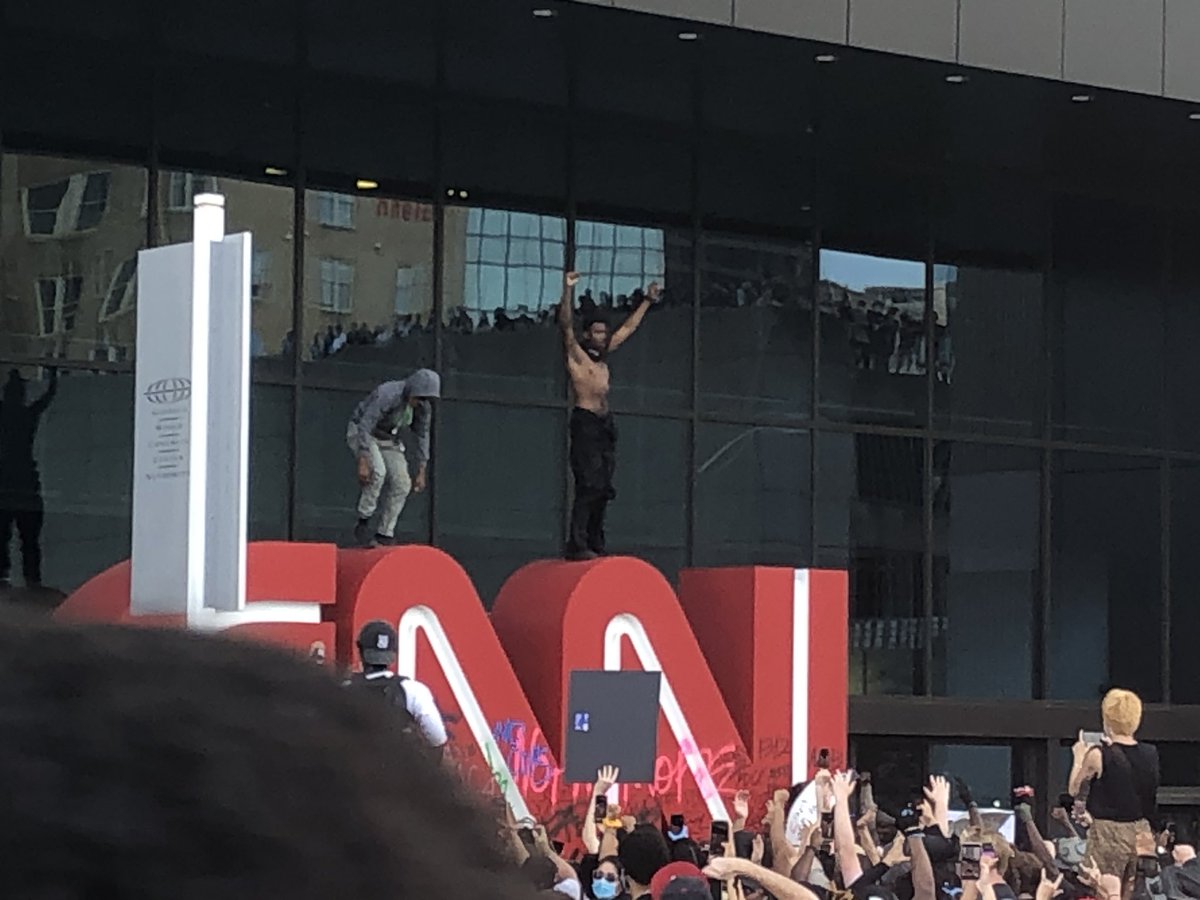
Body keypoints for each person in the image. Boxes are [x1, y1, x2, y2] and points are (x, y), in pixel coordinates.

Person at [0, 611, 533, 899]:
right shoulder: (406, 695)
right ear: (391, 652)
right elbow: (438, 744)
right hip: (375, 813)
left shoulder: (344, 691)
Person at [558, 270, 660, 560]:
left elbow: (628, 329)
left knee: (603, 487)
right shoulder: (578, 356)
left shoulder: (604, 356)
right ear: (588, 334)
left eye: (604, 332)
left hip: (604, 426)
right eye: (597, 332)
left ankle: (595, 542)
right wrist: (567, 290)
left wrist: (647, 301)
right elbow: (565, 324)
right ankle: (576, 544)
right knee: (588, 484)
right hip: (585, 423)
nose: (602, 337)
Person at [1069, 688, 1160, 889]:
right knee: (1133, 889)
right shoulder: (1150, 754)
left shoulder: (1098, 754)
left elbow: (1075, 789)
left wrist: (1078, 757)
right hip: (1139, 833)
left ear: (1107, 719)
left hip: (1107, 835)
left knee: (1101, 887)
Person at [346, 368, 440, 547]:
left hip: (388, 439)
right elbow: (365, 424)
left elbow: (422, 435)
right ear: (412, 390)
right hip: (363, 432)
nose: (421, 402)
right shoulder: (388, 394)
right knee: (378, 472)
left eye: (426, 399)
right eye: (419, 397)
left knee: (403, 483)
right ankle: (364, 520)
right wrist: (364, 459)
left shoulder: (422, 409)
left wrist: (421, 469)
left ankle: (385, 532)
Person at [344, 619, 447, 750]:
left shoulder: (344, 689)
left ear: (360, 650)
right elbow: (437, 737)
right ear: (394, 653)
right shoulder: (413, 690)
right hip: (398, 767)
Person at [0, 367, 57, 589]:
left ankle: (13, 577)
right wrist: (53, 376)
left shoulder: (14, 414)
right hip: (23, 482)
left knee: (6, 536)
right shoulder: (26, 415)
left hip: (9, 481)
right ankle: (31, 579)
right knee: (28, 539)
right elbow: (47, 398)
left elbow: (47, 398)